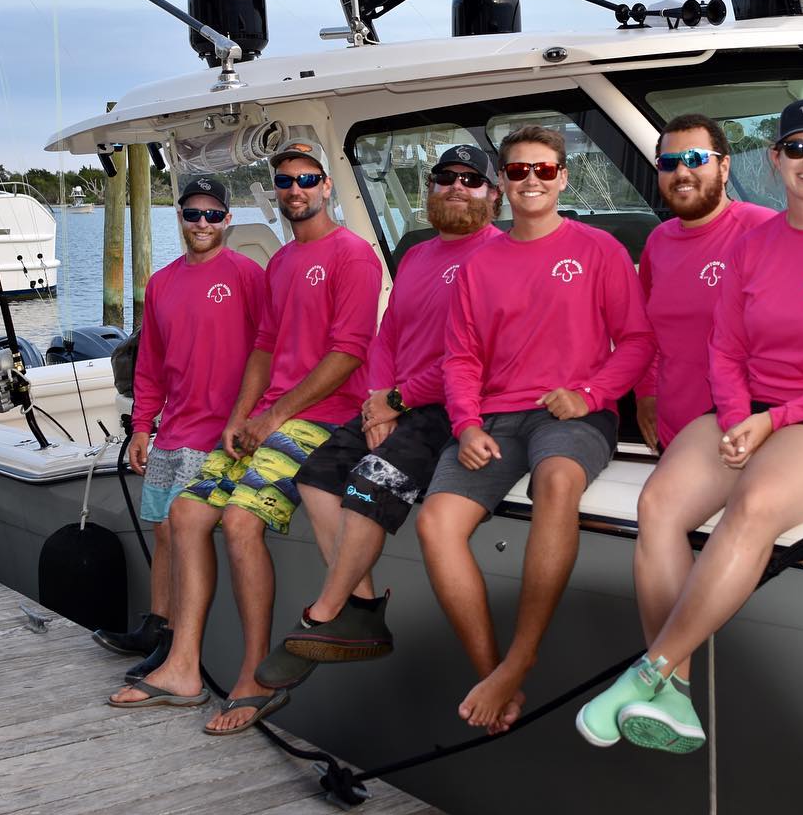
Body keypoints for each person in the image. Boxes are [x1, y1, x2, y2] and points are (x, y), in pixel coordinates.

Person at [578, 98, 803, 753]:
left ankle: (649, 671)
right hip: (754, 407)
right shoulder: (753, 244)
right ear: (775, 158)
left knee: (755, 502)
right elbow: (726, 350)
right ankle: (676, 696)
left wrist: (770, 423)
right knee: (659, 503)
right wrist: (736, 418)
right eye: (796, 148)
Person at [109, 139, 381, 736]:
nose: (295, 190)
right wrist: (242, 415)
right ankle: (182, 668)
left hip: (323, 418)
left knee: (238, 523)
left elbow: (348, 354)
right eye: (284, 181)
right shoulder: (280, 264)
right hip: (268, 415)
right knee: (184, 515)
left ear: (328, 185)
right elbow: (263, 347)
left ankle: (255, 678)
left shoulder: (353, 256)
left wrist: (274, 415)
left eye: (307, 179)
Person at [417, 124, 655, 733]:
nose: (530, 181)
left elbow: (636, 341)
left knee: (555, 483)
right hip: (494, 417)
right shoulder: (479, 263)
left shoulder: (598, 249)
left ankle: (522, 656)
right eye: (518, 170)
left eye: (543, 170)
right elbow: (461, 359)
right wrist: (466, 425)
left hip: (570, 412)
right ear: (502, 181)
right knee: (436, 523)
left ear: (563, 178)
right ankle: (494, 670)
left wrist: (591, 393)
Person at [253, 145, 504, 689]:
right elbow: (387, 334)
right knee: (318, 478)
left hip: (450, 407)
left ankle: (323, 613)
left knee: (370, 482)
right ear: (430, 188)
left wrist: (399, 401)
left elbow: (472, 355)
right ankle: (363, 611)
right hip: (395, 403)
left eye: (471, 180)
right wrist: (377, 400)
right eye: (445, 178)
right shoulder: (416, 255)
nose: (457, 187)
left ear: (493, 194)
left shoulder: (498, 256)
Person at [92, 177, 264, 682]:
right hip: (174, 429)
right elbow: (150, 368)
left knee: (182, 529)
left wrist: (255, 417)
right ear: (181, 219)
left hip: (221, 431)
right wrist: (143, 426)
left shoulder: (248, 274)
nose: (203, 223)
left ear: (228, 220)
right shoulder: (162, 284)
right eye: (193, 214)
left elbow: (269, 349)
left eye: (214, 214)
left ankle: (175, 649)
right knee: (162, 531)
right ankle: (157, 628)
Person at [635, 113, 771, 452]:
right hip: (673, 432)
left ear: (724, 168)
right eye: (668, 163)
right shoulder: (658, 242)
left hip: (748, 430)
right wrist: (646, 393)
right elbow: (648, 331)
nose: (681, 172)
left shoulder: (764, 232)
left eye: (695, 159)